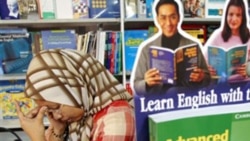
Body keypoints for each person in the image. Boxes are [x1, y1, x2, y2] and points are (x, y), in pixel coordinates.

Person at [15, 49, 135, 141]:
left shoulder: (116, 119)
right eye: (49, 111)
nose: (56, 116)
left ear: (77, 88)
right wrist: (58, 131)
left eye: (56, 107)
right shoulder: (83, 113)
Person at [130, 0, 211, 96]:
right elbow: (136, 85)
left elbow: (208, 79)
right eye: (163, 18)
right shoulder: (146, 49)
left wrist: (202, 77)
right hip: (158, 104)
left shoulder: (193, 45)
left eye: (173, 17)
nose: (168, 23)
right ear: (158, 20)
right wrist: (147, 83)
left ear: (179, 18)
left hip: (187, 101)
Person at [203, 0, 250, 83]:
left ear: (243, 18)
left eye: (238, 15)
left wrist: (248, 69)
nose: (234, 19)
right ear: (226, 16)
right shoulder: (217, 35)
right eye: (231, 14)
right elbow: (202, 59)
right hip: (223, 85)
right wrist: (207, 69)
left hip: (245, 84)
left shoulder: (248, 35)